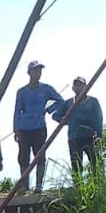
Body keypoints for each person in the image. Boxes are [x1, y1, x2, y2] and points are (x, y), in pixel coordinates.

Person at [13, 61, 64, 194]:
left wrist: (48, 109)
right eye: (35, 71)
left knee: (40, 155)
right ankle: (24, 185)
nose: (38, 73)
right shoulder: (22, 92)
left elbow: (60, 100)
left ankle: (39, 184)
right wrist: (16, 129)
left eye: (40, 71)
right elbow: (17, 110)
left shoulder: (46, 89)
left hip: (39, 127)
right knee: (23, 156)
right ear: (29, 72)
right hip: (24, 128)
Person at [54, 75, 103, 175]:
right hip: (74, 137)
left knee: (95, 162)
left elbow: (98, 119)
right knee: (76, 164)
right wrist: (64, 121)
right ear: (73, 88)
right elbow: (56, 115)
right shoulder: (68, 103)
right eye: (76, 85)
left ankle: (97, 184)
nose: (79, 88)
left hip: (90, 136)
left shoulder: (93, 101)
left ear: (86, 87)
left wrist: (99, 135)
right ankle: (78, 187)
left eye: (81, 85)